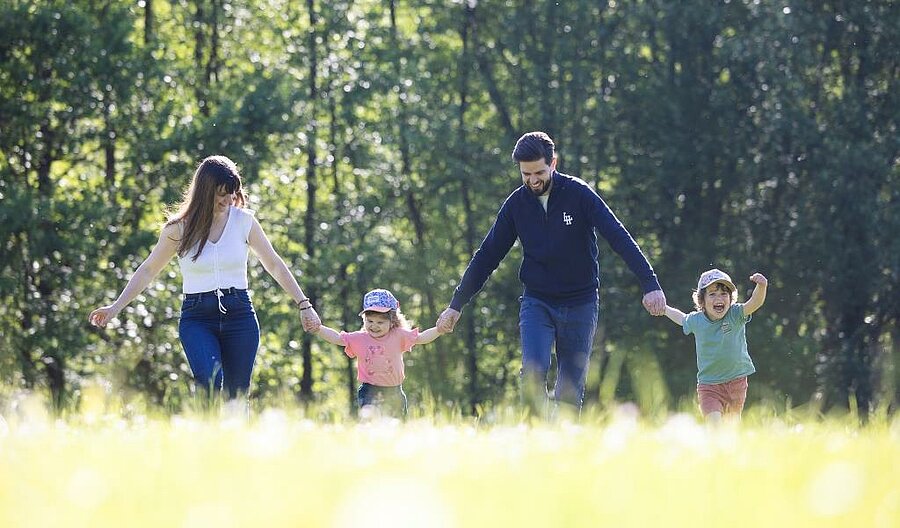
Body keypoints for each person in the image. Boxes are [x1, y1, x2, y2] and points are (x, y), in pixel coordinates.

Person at [436, 131, 666, 415]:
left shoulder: (579, 194)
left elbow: (618, 236)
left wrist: (649, 283)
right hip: (538, 301)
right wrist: (456, 305)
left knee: (570, 391)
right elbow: (487, 256)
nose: (533, 180)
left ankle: (564, 449)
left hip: (581, 302)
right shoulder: (516, 206)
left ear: (553, 163)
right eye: (526, 173)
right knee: (532, 374)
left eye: (539, 172)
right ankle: (533, 441)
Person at [89, 155, 321, 402]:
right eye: (222, 193)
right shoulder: (178, 229)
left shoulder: (244, 222)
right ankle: (204, 434)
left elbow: (274, 264)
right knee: (209, 380)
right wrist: (115, 307)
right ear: (205, 191)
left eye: (233, 193)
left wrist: (303, 304)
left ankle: (232, 439)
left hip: (240, 315)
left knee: (237, 394)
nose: (229, 200)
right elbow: (148, 270)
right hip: (198, 317)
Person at [312, 289, 446, 417]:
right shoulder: (359, 338)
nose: (374, 326)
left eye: (380, 322)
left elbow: (421, 338)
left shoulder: (398, 335)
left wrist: (439, 330)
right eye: (370, 321)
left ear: (392, 321)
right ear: (364, 319)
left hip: (394, 390)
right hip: (369, 390)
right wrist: (318, 328)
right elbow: (337, 338)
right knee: (371, 420)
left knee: (397, 423)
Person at [663, 268, 768, 423]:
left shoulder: (735, 314)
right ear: (702, 301)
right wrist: (664, 309)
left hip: (737, 382)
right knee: (715, 425)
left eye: (724, 294)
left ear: (730, 298)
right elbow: (681, 318)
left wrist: (762, 286)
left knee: (731, 428)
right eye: (712, 294)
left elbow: (755, 303)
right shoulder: (697, 320)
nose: (719, 298)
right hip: (709, 386)